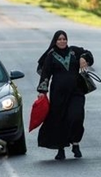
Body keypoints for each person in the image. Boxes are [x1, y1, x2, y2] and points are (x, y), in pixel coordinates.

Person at [36, 30, 94, 160]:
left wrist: (84, 58)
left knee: (76, 117)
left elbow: (88, 54)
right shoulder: (51, 56)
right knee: (59, 119)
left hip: (76, 92)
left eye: (64, 39)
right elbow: (45, 75)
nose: (62, 41)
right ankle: (60, 149)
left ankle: (75, 143)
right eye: (59, 39)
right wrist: (42, 92)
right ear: (55, 41)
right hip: (58, 94)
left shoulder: (74, 52)